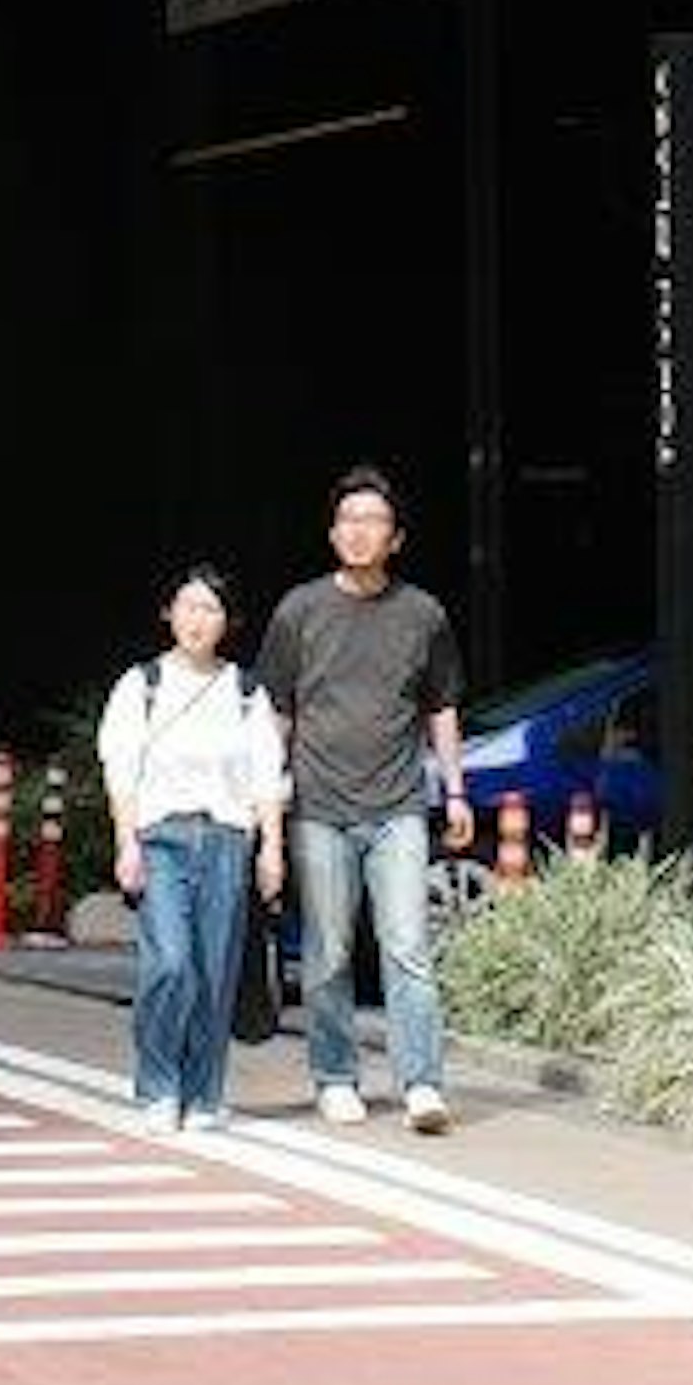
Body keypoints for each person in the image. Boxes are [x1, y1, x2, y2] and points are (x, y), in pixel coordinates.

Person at [256, 465, 468, 1133]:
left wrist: (455, 791)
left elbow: (442, 708)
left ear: (396, 537)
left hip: (400, 803)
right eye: (348, 521)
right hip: (318, 806)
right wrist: (266, 803)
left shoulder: (423, 614)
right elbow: (277, 713)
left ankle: (423, 1083)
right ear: (332, 532)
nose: (359, 532)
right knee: (328, 952)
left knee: (407, 945)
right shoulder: (300, 610)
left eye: (372, 521)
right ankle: (335, 1076)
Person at [94, 565, 286, 1136]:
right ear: (169, 613)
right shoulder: (141, 684)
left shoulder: (247, 691)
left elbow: (265, 776)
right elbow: (120, 770)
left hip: (227, 841)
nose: (197, 619)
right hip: (162, 839)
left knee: (214, 971)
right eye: (188, 606)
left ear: (228, 622)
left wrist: (271, 850)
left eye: (210, 609)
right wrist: (125, 842)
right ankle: (158, 1084)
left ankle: (204, 1092)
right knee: (170, 964)